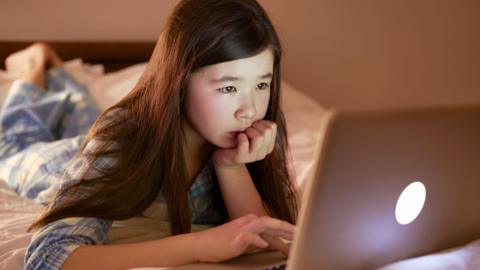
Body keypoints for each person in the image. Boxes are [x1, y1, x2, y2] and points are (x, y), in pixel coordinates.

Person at [0, 0, 299, 269]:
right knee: (14, 143)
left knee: (85, 117)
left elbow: (270, 235)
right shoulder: (121, 141)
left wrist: (231, 167)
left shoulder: (254, 138)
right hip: (66, 161)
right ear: (179, 81)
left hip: (103, 138)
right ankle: (34, 64)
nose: (249, 110)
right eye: (229, 88)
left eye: (262, 85)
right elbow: (48, 257)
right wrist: (199, 246)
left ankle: (61, 76)